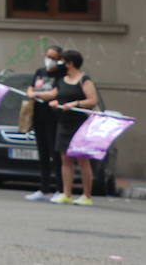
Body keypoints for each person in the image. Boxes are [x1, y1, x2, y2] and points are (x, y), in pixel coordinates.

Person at [48, 49, 100, 205]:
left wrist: (75, 104)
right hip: (64, 123)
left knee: (82, 159)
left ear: (70, 63)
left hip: (80, 124)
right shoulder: (62, 80)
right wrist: (52, 102)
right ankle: (67, 193)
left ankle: (87, 196)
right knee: (65, 159)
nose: (60, 64)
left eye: (62, 61)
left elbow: (92, 100)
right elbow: (53, 94)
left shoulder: (84, 80)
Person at [23, 45, 64, 201]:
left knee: (56, 154)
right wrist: (34, 93)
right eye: (48, 56)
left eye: (53, 57)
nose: (49, 60)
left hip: (53, 118)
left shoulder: (62, 74)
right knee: (43, 154)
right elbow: (30, 89)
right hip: (38, 116)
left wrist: (36, 94)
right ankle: (43, 188)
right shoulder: (40, 72)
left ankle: (60, 189)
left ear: (59, 60)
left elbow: (54, 94)